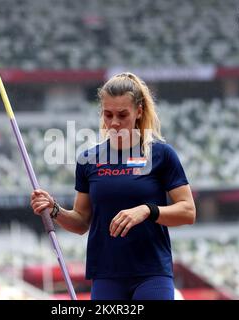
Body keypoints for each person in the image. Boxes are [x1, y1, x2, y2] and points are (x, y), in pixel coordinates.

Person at [30, 72, 196, 300]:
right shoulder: (88, 159)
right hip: (106, 275)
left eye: (122, 115)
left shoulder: (161, 155)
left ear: (138, 111)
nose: (114, 123)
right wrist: (55, 209)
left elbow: (188, 212)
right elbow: (81, 222)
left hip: (152, 273)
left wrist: (148, 210)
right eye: (108, 115)